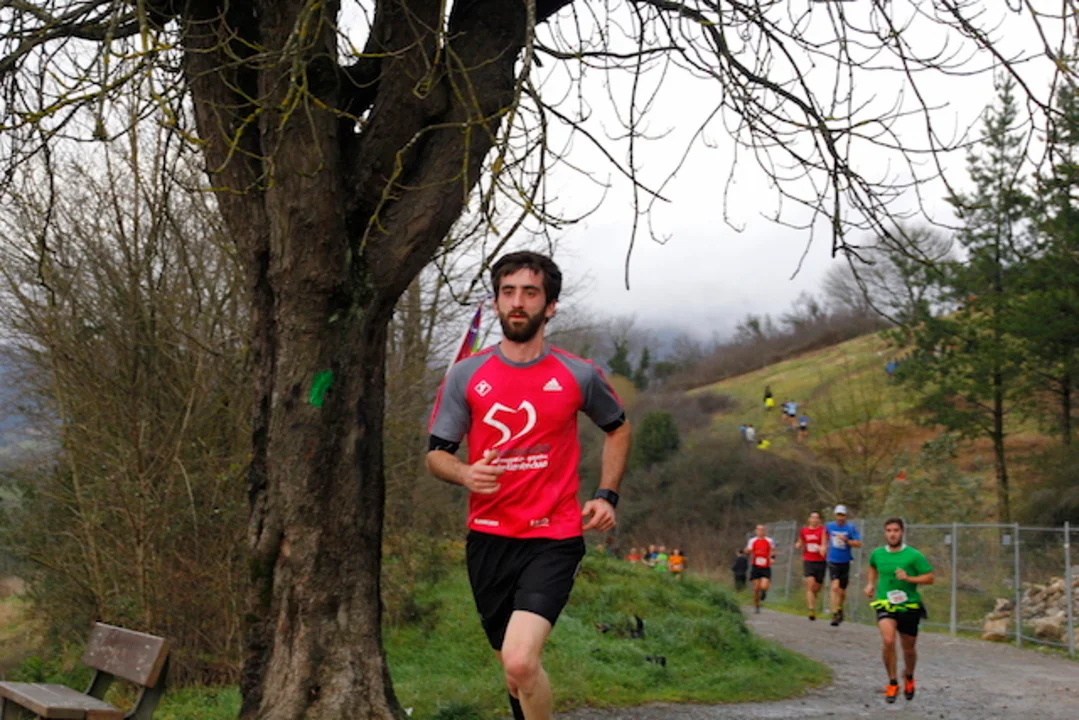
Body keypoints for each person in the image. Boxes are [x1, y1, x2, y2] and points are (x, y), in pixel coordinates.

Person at [426, 251, 632, 720]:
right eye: (508, 292)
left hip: (553, 535)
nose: (517, 302)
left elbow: (618, 428)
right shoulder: (466, 374)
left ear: (550, 306)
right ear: (496, 302)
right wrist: (464, 473)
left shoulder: (578, 374)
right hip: (488, 538)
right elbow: (436, 454)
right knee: (513, 669)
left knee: (521, 661)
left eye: (530, 293)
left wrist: (606, 495)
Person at [864, 517, 934, 704]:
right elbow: (872, 566)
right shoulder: (877, 554)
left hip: (909, 605)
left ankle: (909, 676)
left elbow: (929, 578)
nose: (892, 534)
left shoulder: (913, 555)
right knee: (888, 640)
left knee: (908, 648)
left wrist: (909, 578)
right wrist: (870, 584)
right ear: (885, 533)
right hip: (885, 603)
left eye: (895, 530)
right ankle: (892, 682)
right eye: (889, 531)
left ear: (902, 532)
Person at [825, 504, 862, 626]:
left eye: (842, 515)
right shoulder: (829, 526)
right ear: (835, 515)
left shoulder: (850, 528)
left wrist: (846, 540)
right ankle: (834, 614)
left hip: (845, 561)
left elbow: (858, 543)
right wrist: (823, 546)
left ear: (845, 516)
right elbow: (824, 536)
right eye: (838, 515)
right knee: (834, 587)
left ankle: (839, 609)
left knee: (841, 591)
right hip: (833, 560)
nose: (840, 517)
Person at [795, 511, 827, 620]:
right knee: (810, 585)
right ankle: (811, 610)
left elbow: (824, 544)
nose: (814, 520)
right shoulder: (804, 530)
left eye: (816, 518)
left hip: (820, 561)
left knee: (817, 587)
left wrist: (822, 548)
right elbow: (800, 542)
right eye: (812, 517)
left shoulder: (822, 530)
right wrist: (798, 545)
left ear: (819, 520)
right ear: (809, 519)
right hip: (808, 560)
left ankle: (813, 597)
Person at [746, 525, 776, 614]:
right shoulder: (752, 541)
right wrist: (747, 551)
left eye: (762, 530)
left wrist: (772, 558)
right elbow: (749, 550)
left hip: (765, 566)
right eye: (759, 530)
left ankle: (764, 592)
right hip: (756, 566)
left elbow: (773, 550)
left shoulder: (769, 541)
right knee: (756, 588)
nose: (760, 532)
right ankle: (756, 605)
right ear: (756, 531)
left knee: (764, 586)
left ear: (765, 531)